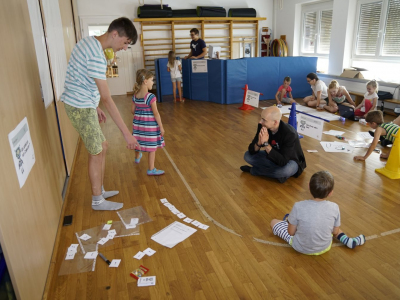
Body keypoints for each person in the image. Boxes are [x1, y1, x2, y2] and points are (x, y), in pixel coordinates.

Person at [61, 17, 139, 211]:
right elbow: (107, 98)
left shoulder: (89, 42)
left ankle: (100, 190)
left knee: (102, 146)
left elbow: (79, 77)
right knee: (96, 152)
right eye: (125, 42)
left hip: (82, 103)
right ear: (115, 34)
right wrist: (126, 133)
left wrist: (93, 105)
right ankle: (97, 200)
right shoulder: (97, 55)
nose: (124, 48)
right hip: (79, 106)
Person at [270, 171, 366, 255]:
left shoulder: (298, 206)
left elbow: (291, 232)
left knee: (273, 222)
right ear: (330, 193)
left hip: (300, 247)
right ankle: (348, 241)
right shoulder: (334, 207)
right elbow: (335, 232)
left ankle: (288, 222)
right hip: (324, 247)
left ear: (308, 186)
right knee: (333, 225)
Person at [240, 106, 306, 183]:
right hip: (272, 156)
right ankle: (276, 174)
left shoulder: (289, 133)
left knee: (285, 170)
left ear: (275, 122)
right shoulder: (262, 126)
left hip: (290, 161)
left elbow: (283, 161)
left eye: (264, 120)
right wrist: (259, 143)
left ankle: (255, 170)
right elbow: (251, 151)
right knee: (247, 156)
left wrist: (266, 144)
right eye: (261, 118)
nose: (260, 122)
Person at [132, 69, 165, 175]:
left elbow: (132, 111)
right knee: (152, 147)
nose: (153, 82)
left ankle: (137, 157)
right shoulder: (151, 97)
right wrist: (161, 126)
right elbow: (156, 113)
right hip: (150, 126)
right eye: (152, 80)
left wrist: (140, 115)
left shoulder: (135, 95)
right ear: (145, 81)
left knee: (137, 141)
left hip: (138, 126)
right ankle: (151, 169)